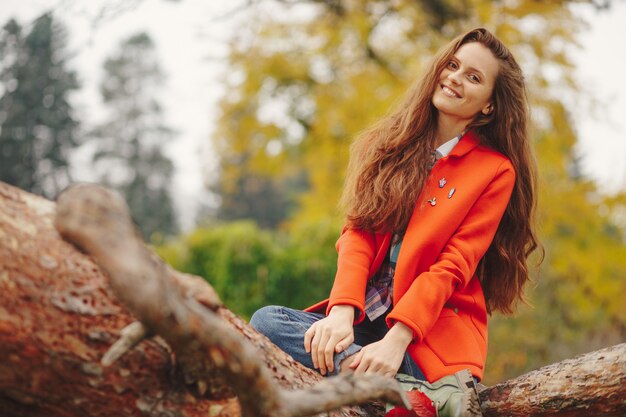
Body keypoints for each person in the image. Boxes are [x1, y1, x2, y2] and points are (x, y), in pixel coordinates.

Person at [250, 27, 540, 417]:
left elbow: (452, 266)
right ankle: (397, 395)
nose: (455, 77)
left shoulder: (494, 171)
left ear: (489, 105)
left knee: (310, 348)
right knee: (266, 322)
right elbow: (358, 233)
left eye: (473, 77)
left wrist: (397, 340)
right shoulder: (386, 143)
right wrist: (340, 313)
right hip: (364, 324)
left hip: (423, 340)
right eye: (452, 65)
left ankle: (404, 391)